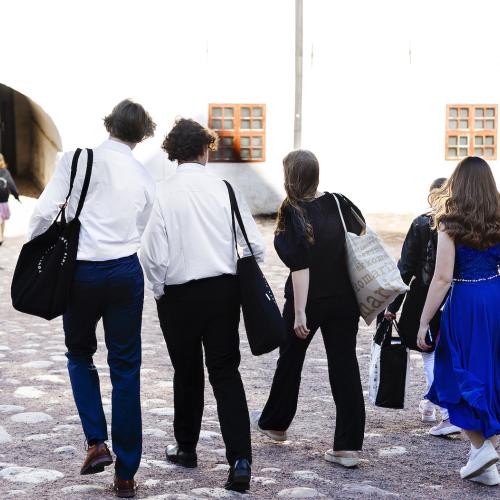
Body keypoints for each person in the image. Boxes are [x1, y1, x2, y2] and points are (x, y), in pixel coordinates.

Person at [27, 99, 156, 498]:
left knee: (79, 354)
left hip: (81, 273)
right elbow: (142, 224)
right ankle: (127, 473)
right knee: (126, 367)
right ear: (142, 135)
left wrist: (39, 253)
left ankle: (96, 442)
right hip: (124, 273)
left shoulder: (77, 160)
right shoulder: (143, 174)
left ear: (109, 125)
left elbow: (44, 214)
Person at [140, 118, 265, 492]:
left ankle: (186, 447)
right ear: (205, 150)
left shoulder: (162, 192)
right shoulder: (225, 189)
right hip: (223, 291)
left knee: (186, 370)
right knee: (226, 372)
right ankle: (240, 460)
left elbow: (151, 254)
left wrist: (161, 289)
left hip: (178, 294)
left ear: (172, 153)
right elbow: (255, 246)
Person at [254, 149, 366, 468]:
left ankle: (276, 424)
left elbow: (299, 266)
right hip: (345, 300)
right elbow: (360, 235)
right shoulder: (338, 202)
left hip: (310, 300)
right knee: (344, 365)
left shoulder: (293, 211)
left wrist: (301, 312)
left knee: (291, 358)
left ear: (290, 177)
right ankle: (348, 447)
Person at [417, 156, 500, 487]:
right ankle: (486, 459)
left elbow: (442, 278)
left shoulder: (449, 223)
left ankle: (483, 449)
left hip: (465, 302)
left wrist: (424, 321)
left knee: (454, 374)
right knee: (492, 374)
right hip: (495, 298)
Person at [384, 178, 460, 436]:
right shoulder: (462, 223)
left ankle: (447, 413)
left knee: (428, 353)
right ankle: (429, 404)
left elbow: (404, 267)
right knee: (441, 353)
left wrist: (393, 304)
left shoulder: (420, 223)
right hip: (453, 295)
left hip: (423, 297)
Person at [0, 153, 20, 245]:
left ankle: (0, 236)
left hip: (3, 201)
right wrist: (16, 196)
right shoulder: (5, 172)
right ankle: (1, 236)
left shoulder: (5, 172)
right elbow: (11, 185)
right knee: (2, 220)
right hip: (3, 201)